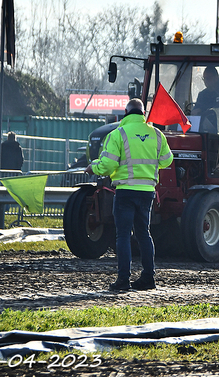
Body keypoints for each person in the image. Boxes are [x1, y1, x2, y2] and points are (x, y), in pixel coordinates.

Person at [85, 98, 173, 291]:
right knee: (144, 234)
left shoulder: (118, 134)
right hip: (147, 193)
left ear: (126, 113)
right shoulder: (157, 134)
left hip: (125, 192)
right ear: (143, 114)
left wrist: (94, 168)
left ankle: (123, 281)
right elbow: (167, 160)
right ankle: (148, 279)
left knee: (123, 236)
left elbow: (108, 165)